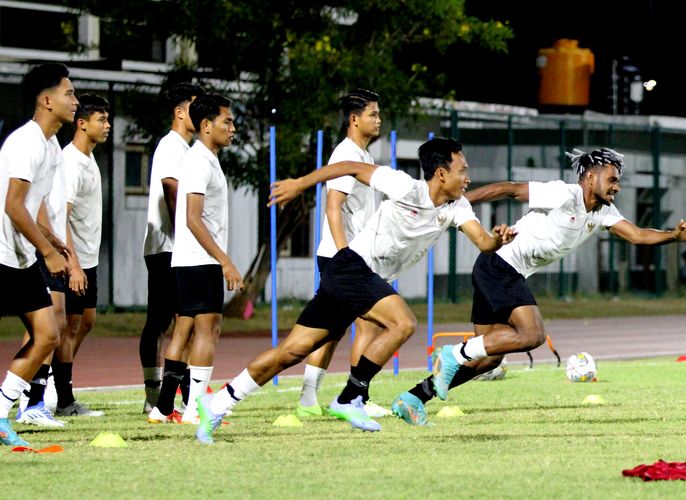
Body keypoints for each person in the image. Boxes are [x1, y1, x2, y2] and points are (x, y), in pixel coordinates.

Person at [194, 137, 516, 443]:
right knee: (403, 323)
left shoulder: (457, 207)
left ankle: (219, 403)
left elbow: (483, 241)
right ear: (441, 173)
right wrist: (300, 183)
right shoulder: (404, 186)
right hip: (351, 268)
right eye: (463, 171)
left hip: (359, 279)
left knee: (290, 353)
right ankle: (351, 396)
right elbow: (348, 167)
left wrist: (498, 239)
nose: (468, 179)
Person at [391, 147, 686, 426]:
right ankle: (453, 353)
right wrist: (453, 205)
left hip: (495, 270)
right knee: (530, 335)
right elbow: (509, 189)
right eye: (611, 179)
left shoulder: (602, 212)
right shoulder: (565, 194)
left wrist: (674, 235)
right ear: (589, 177)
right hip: (501, 265)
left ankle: (414, 398)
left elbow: (639, 235)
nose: (617, 185)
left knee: (489, 358)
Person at [295, 88, 390, 419]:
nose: (378, 120)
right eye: (372, 114)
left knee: (333, 328)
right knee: (365, 325)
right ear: (354, 119)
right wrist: (345, 252)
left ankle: (313, 399)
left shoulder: (362, 156)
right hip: (343, 257)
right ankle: (354, 398)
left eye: (378, 114)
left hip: (353, 256)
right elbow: (332, 206)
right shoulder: (345, 154)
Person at [0, 62, 75, 446]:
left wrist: (49, 237)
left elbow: (27, 207)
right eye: (69, 93)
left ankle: (0, 413)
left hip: (19, 254)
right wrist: (47, 251)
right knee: (48, 332)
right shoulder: (26, 142)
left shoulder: (50, 147)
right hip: (1, 255)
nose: (74, 101)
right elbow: (13, 207)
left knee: (47, 334)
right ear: (46, 100)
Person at [159, 92, 243, 425]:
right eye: (228, 121)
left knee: (194, 330)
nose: (233, 128)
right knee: (207, 330)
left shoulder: (207, 159)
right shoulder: (197, 161)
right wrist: (224, 259)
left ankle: (167, 406)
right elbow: (192, 218)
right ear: (206, 125)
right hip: (198, 260)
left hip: (196, 260)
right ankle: (194, 407)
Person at [141, 82, 203, 417]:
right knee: (163, 322)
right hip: (168, 247)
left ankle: (183, 395)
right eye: (196, 105)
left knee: (184, 320)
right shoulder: (170, 146)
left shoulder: (189, 149)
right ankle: (157, 395)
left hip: (178, 248)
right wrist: (188, 241)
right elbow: (173, 193)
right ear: (180, 112)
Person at [49, 93, 110, 418]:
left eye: (107, 119)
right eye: (101, 120)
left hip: (88, 259)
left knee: (84, 321)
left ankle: (55, 385)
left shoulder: (88, 158)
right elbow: (62, 216)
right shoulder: (70, 161)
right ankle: (61, 397)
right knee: (63, 327)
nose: (107, 125)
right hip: (74, 260)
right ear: (82, 123)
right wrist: (73, 264)